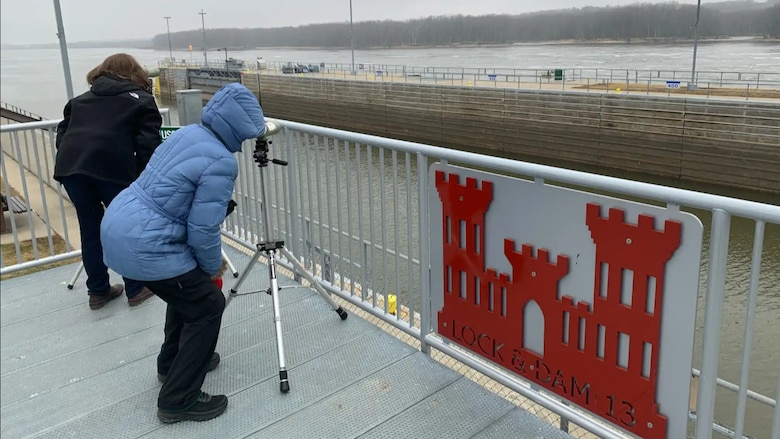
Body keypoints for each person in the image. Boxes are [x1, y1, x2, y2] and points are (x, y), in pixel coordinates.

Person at [100, 83, 267, 423]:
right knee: (207, 304)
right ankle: (178, 398)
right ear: (240, 129)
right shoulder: (221, 161)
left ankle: (171, 364)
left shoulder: (188, 134)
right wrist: (212, 268)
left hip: (121, 225)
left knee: (186, 293)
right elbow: (203, 228)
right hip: (146, 244)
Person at [54, 53, 161, 310]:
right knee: (125, 229)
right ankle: (136, 288)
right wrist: (142, 182)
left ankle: (98, 291)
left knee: (90, 229)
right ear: (135, 72)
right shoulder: (141, 101)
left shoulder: (78, 101)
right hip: (113, 171)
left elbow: (62, 136)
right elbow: (149, 147)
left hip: (73, 170)